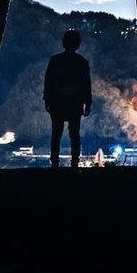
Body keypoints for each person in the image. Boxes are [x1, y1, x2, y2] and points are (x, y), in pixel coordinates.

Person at [43, 28, 92, 169]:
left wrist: (47, 100)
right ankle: (74, 164)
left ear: (64, 42)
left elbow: (48, 82)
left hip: (57, 102)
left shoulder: (55, 60)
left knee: (56, 133)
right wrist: (87, 104)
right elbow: (86, 85)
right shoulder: (81, 62)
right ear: (78, 44)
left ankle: (55, 164)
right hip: (75, 103)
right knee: (74, 134)